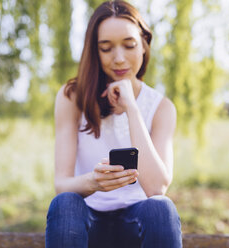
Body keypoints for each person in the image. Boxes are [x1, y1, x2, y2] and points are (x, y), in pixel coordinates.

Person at [45, 1, 182, 247]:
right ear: (95, 52)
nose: (119, 59)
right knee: (64, 204)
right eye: (106, 48)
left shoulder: (162, 108)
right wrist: (94, 182)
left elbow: (156, 187)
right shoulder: (72, 96)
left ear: (143, 44)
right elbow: (61, 184)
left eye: (129, 45)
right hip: (87, 221)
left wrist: (131, 107)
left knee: (161, 208)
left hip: (136, 222)